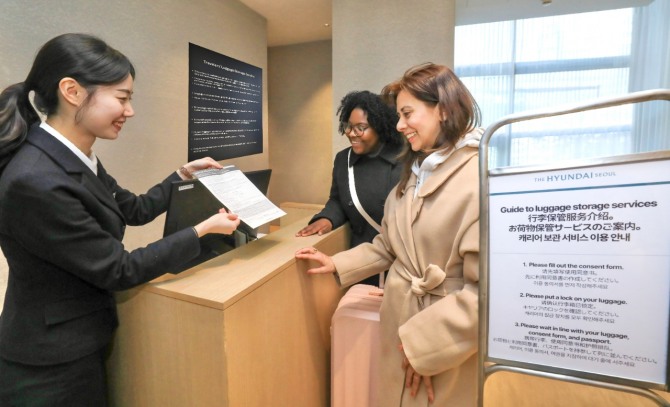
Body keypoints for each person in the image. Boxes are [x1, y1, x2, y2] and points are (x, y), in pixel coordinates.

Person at [0, 33, 240, 406]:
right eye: (122, 98)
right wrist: (201, 231)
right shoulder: (36, 179)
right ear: (72, 91)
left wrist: (182, 175)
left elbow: (133, 208)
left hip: (82, 339)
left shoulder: (75, 156)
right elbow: (118, 269)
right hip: (51, 364)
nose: (130, 111)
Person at [296, 63, 483, 406]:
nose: (399, 125)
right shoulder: (416, 170)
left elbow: (485, 294)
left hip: (440, 338)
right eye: (398, 115)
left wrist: (426, 346)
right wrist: (337, 263)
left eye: (407, 114)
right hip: (399, 324)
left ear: (443, 110)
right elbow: (389, 244)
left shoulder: (477, 179)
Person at [295, 90, 404, 286]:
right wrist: (327, 218)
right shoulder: (343, 159)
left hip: (400, 263)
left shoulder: (404, 158)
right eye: (348, 126)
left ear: (380, 127)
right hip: (362, 259)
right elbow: (338, 199)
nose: (352, 134)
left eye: (361, 128)